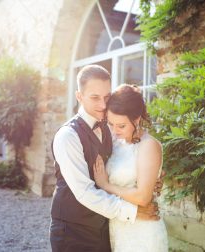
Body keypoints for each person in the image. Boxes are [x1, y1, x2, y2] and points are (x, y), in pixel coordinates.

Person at [49, 65, 164, 252]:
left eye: (107, 97)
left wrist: (153, 177)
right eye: (94, 97)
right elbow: (84, 192)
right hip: (73, 232)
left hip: (107, 229)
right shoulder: (67, 136)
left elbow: (131, 157)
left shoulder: (110, 127)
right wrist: (133, 212)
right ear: (79, 96)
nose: (103, 105)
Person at [93, 84, 168, 251]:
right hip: (119, 227)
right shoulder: (115, 142)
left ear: (136, 120)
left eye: (121, 126)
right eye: (111, 124)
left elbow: (142, 197)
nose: (114, 131)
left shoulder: (148, 146)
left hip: (143, 232)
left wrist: (106, 185)